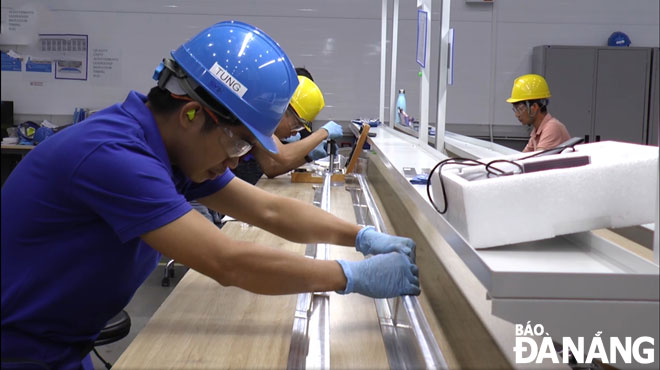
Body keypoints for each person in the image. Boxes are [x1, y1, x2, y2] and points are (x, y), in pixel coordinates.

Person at [1, 20, 419, 369]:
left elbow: (270, 211)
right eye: (238, 143)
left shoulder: (171, 151)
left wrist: (362, 237)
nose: (237, 161)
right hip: (20, 350)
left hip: (59, 343)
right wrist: (351, 277)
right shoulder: (115, 156)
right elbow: (227, 262)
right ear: (190, 114)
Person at [232, 72, 343, 185]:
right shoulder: (255, 117)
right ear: (282, 110)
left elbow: (271, 168)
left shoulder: (262, 126)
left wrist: (309, 156)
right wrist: (324, 132)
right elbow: (284, 155)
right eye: (296, 125)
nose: (295, 133)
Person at [507, 74, 570, 152]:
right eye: (515, 110)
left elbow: (537, 160)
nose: (517, 115)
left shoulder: (552, 128)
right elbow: (522, 157)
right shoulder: (537, 131)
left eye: (520, 109)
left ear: (534, 107)